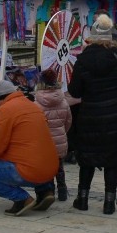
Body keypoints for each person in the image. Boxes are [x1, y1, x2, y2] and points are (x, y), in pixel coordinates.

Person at [67, 14, 117, 214]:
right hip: (116, 115)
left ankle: (82, 199)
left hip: (90, 116)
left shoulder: (82, 61)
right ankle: (109, 203)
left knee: (87, 159)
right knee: (112, 160)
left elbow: (75, 91)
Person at [0, 80, 59, 216]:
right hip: (50, 168)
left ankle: (22, 199)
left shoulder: (4, 110)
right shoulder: (33, 106)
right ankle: (45, 191)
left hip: (29, 170)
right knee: (34, 157)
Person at [33, 68, 73, 201]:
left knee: (47, 167)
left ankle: (49, 192)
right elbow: (68, 121)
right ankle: (62, 190)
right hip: (60, 138)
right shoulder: (63, 101)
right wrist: (62, 132)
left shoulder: (36, 104)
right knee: (59, 167)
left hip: (44, 142)